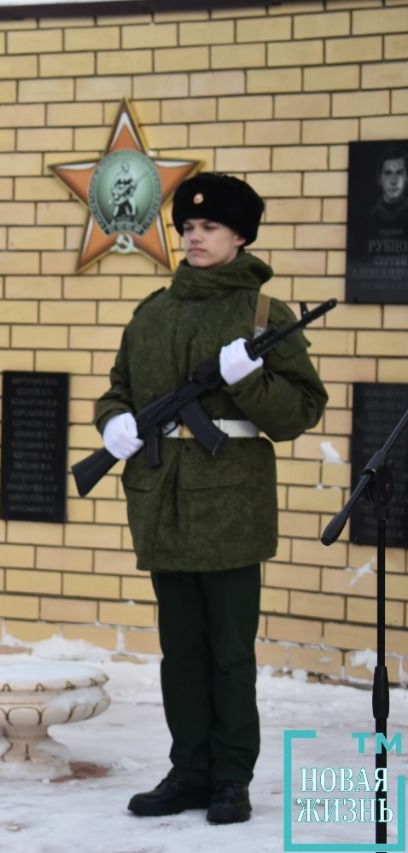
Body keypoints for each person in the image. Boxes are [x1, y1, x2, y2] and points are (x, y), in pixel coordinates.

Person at [95, 173, 327, 825]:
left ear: (240, 236)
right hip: (163, 499)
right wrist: (111, 422)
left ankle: (230, 775)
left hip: (229, 505)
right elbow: (119, 390)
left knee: (229, 650)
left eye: (210, 228)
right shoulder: (153, 313)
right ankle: (189, 767)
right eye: (188, 228)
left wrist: (249, 383)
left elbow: (302, 410)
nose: (195, 237)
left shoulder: (263, 316)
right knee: (182, 649)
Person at [369, 146, 407, 229]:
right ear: (379, 178)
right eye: (388, 173)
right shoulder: (370, 216)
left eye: (399, 173)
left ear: (406, 178)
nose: (394, 181)